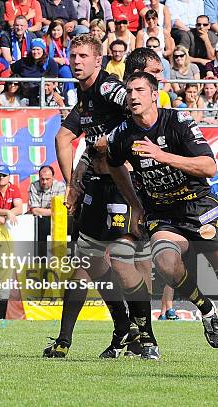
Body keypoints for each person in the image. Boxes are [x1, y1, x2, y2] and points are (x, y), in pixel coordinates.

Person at [47, 34, 154, 360]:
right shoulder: (85, 95)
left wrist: (116, 142)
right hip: (96, 186)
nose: (76, 61)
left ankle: (146, 338)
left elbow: (139, 111)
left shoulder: (108, 88)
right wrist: (74, 185)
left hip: (123, 185)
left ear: (98, 60)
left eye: (83, 56)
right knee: (86, 265)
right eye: (73, 55)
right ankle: (74, 339)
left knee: (122, 262)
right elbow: (67, 140)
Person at [107, 71, 218, 356]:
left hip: (199, 205)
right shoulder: (122, 134)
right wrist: (135, 203)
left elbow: (209, 167)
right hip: (163, 214)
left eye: (140, 90)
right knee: (165, 261)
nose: (133, 96)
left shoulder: (177, 122)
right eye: (129, 91)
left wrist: (162, 155)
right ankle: (207, 311)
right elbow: (113, 164)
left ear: (154, 95)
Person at [11, 37, 58, 105]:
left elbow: (55, 82)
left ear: (43, 50)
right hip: (24, 94)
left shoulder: (50, 62)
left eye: (38, 49)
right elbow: (11, 71)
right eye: (33, 49)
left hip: (41, 94)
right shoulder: (23, 61)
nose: (35, 52)